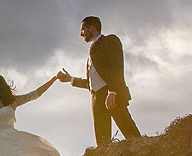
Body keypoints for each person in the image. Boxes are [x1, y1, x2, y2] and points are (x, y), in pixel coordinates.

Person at [57, 16, 141, 145]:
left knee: (130, 132)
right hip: (97, 98)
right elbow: (93, 82)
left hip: (113, 94)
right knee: (102, 143)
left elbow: (117, 67)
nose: (81, 34)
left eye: (83, 29)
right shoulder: (92, 50)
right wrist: (70, 79)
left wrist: (112, 92)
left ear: (92, 28)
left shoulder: (110, 40)